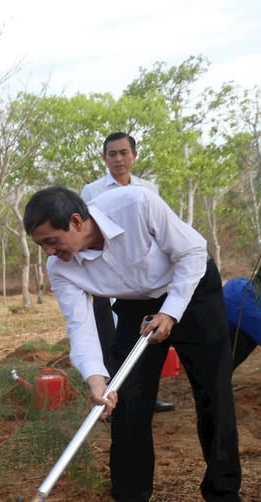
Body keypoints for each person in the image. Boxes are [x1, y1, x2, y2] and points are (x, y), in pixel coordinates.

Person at [22, 186, 246, 502]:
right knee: (125, 401)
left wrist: (170, 313)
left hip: (192, 290)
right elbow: (80, 327)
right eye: (41, 245)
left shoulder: (135, 204)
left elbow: (192, 251)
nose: (50, 252)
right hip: (134, 304)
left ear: (77, 221)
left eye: (52, 241)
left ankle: (225, 497)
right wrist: (96, 379)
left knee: (213, 393)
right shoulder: (61, 268)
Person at [79, 132, 174, 413]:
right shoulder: (92, 192)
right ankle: (112, 396)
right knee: (115, 339)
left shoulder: (148, 189)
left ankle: (147, 396)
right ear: (104, 157)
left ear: (134, 155)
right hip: (110, 280)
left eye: (123, 153)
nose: (118, 159)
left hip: (145, 279)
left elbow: (158, 231)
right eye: (112, 154)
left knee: (148, 337)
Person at [223, 275, 261, 369]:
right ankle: (217, 380)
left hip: (204, 340)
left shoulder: (240, 283)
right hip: (208, 347)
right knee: (248, 336)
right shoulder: (251, 311)